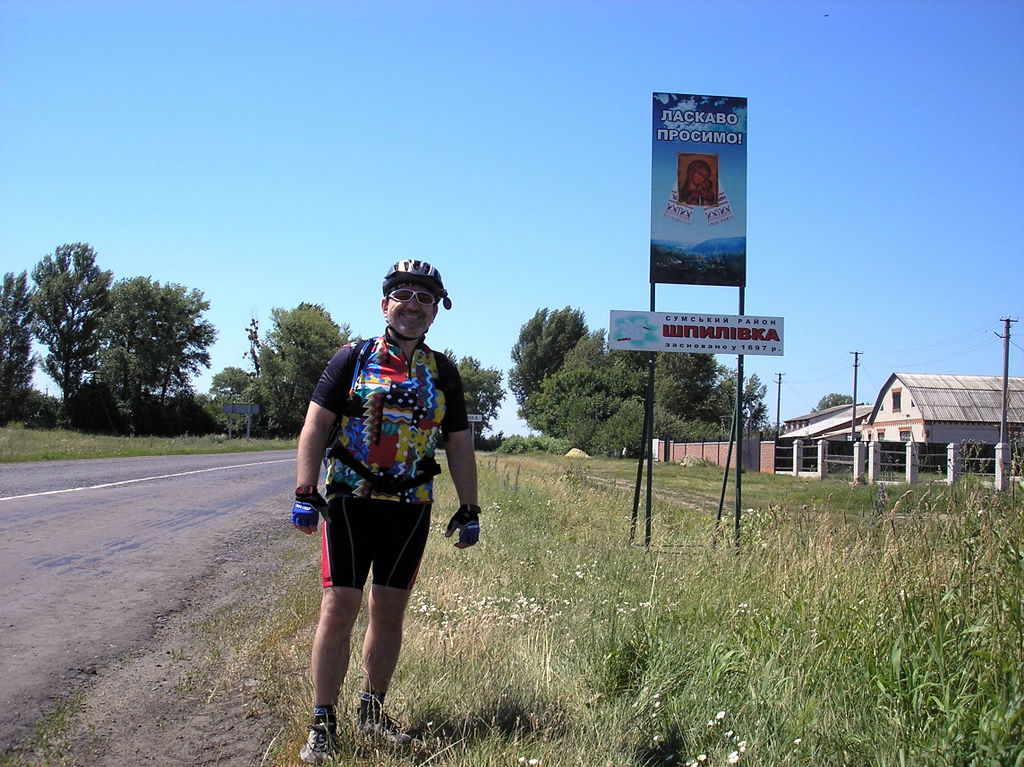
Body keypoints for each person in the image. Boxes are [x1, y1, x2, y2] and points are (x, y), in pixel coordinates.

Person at [290, 259, 480, 764]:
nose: (413, 305)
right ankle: (322, 723)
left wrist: (469, 507)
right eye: (403, 295)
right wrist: (305, 490)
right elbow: (315, 426)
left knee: (389, 612)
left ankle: (372, 712)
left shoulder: (443, 371)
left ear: (435, 312)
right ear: (384, 305)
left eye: (425, 298)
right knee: (339, 608)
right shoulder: (352, 358)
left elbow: (459, 443)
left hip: (411, 507)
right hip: (350, 501)